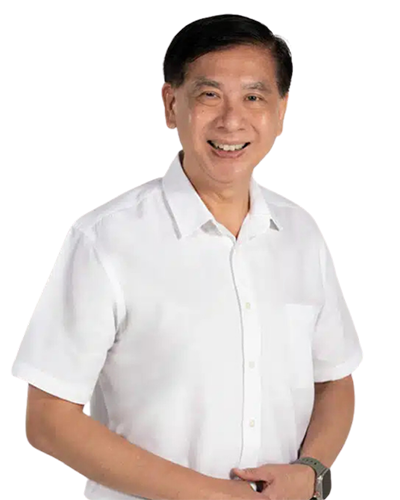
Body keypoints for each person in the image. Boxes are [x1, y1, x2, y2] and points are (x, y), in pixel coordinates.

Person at [11, 14, 363, 500]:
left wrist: (310, 470)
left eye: (254, 97)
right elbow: (50, 420)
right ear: (171, 105)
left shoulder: (301, 234)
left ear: (282, 112)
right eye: (209, 95)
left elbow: (334, 381)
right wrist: (217, 495)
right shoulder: (106, 240)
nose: (232, 121)